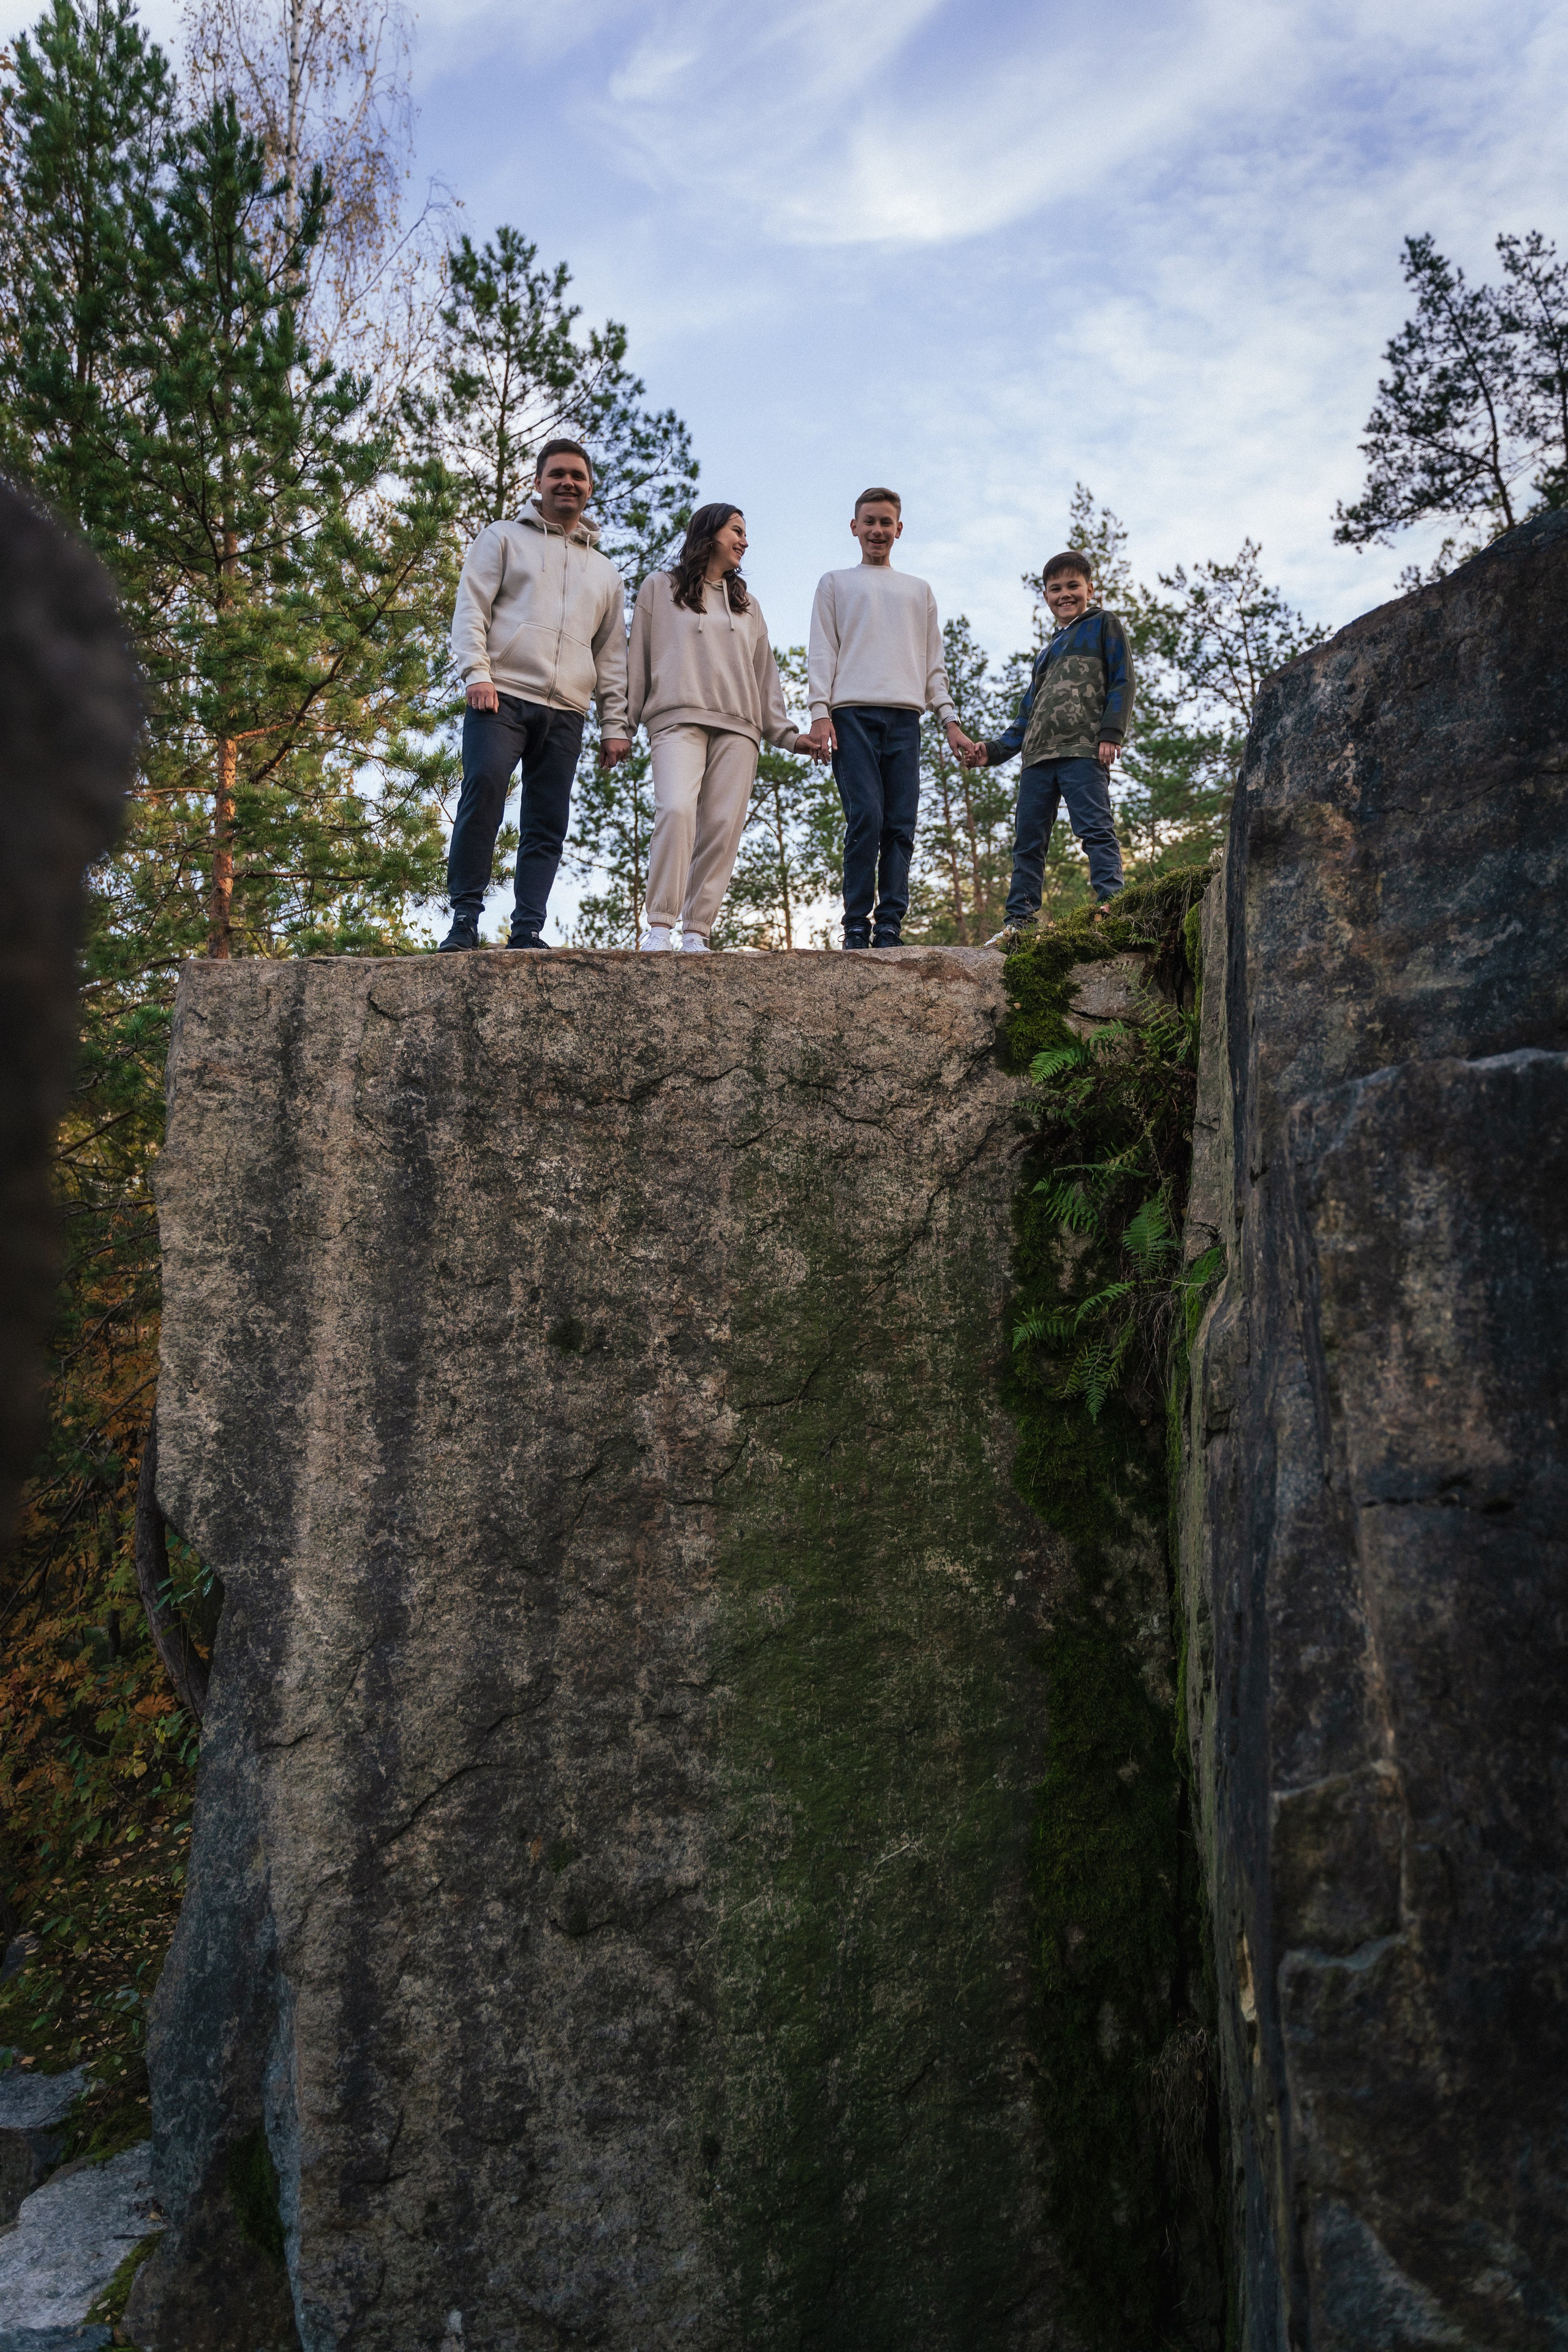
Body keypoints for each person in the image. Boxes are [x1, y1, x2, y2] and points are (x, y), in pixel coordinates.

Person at [440, 439, 631, 951]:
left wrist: (614, 724)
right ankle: (464, 919)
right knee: (483, 792)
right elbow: (471, 608)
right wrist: (476, 673)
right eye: (558, 474)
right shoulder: (503, 537)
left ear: (590, 488)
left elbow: (612, 654)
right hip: (499, 695)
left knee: (547, 821)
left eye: (578, 476)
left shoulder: (606, 573)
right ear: (539, 482)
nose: (568, 483)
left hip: (567, 709)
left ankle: (527, 928)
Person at [797, 488, 982, 950]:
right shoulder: (835, 583)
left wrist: (950, 720)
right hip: (851, 716)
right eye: (869, 522)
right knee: (866, 815)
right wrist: (820, 714)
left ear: (899, 529)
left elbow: (933, 665)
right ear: (854, 527)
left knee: (900, 823)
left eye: (886, 523)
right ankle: (856, 925)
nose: (877, 530)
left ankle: (890, 926)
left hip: (905, 720)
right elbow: (822, 652)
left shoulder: (919, 591)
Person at [627, 503, 802, 952]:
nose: (745, 541)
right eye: (737, 531)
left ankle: (696, 931)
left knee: (722, 828)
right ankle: (660, 926)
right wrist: (621, 726)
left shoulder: (748, 606)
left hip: (740, 728)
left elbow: (765, 677)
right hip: (676, 719)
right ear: (710, 533)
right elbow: (637, 662)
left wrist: (788, 735)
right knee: (675, 810)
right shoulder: (659, 588)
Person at [970, 551, 1133, 941]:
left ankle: (1113, 903)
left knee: (1095, 828)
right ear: (1046, 596)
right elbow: (1027, 715)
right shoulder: (1046, 653)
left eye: (1073, 586)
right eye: (1056, 589)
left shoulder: (1104, 624)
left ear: (1090, 589)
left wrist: (1111, 733)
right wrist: (993, 751)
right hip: (1037, 760)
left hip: (1083, 750)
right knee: (1028, 842)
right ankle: (1019, 922)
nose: (1065, 594)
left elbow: (1123, 680)